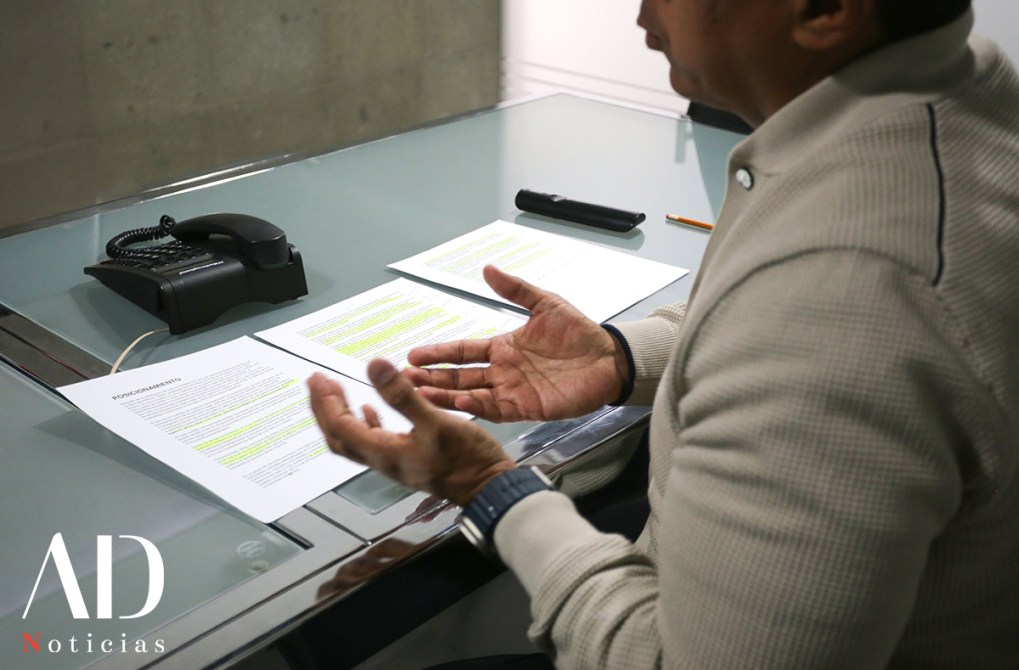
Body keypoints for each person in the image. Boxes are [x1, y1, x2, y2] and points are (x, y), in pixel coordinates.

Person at [307, 0, 1019, 667]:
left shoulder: (856, 280)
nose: (640, 11)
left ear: (826, 9)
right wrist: (618, 358)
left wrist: (489, 488)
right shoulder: (958, 94)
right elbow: (785, 337)